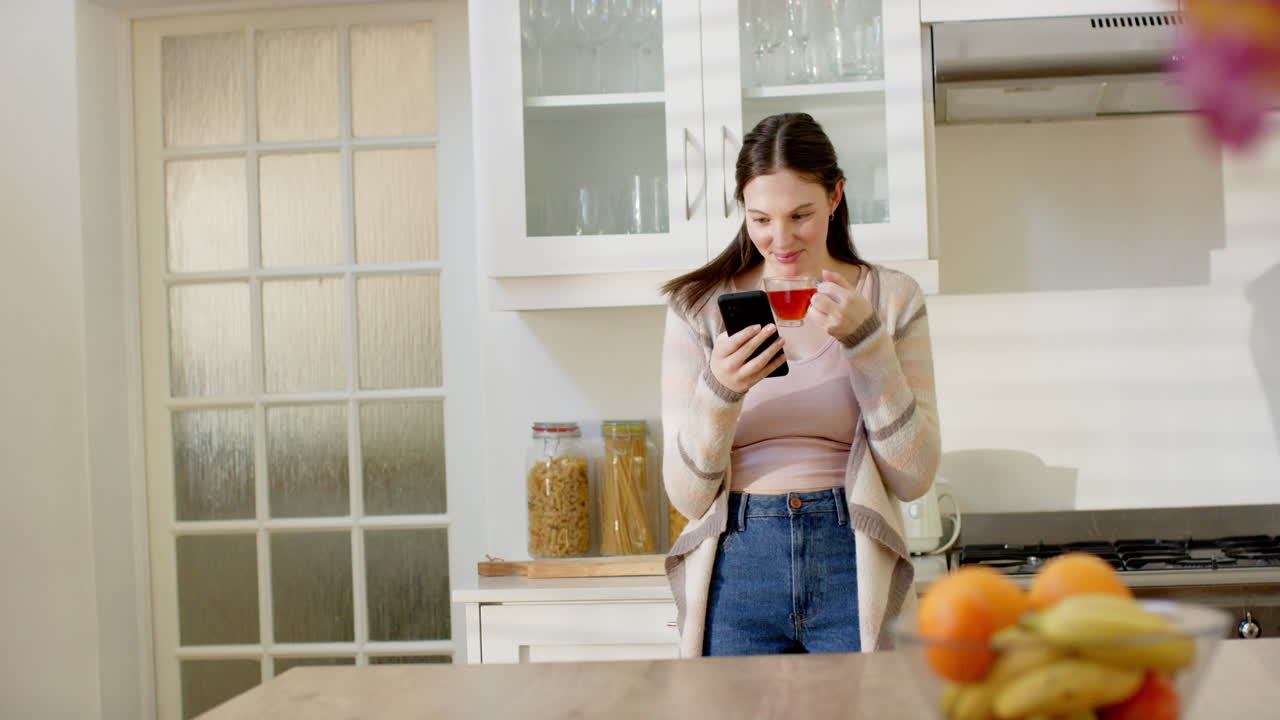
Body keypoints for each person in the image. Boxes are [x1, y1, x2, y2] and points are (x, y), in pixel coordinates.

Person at [660, 112, 940, 657]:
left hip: (850, 553)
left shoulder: (892, 299)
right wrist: (721, 391)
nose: (780, 240)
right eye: (760, 218)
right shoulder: (698, 309)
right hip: (737, 565)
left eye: (800, 215)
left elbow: (914, 477)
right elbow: (688, 498)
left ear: (836, 197)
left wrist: (868, 344)